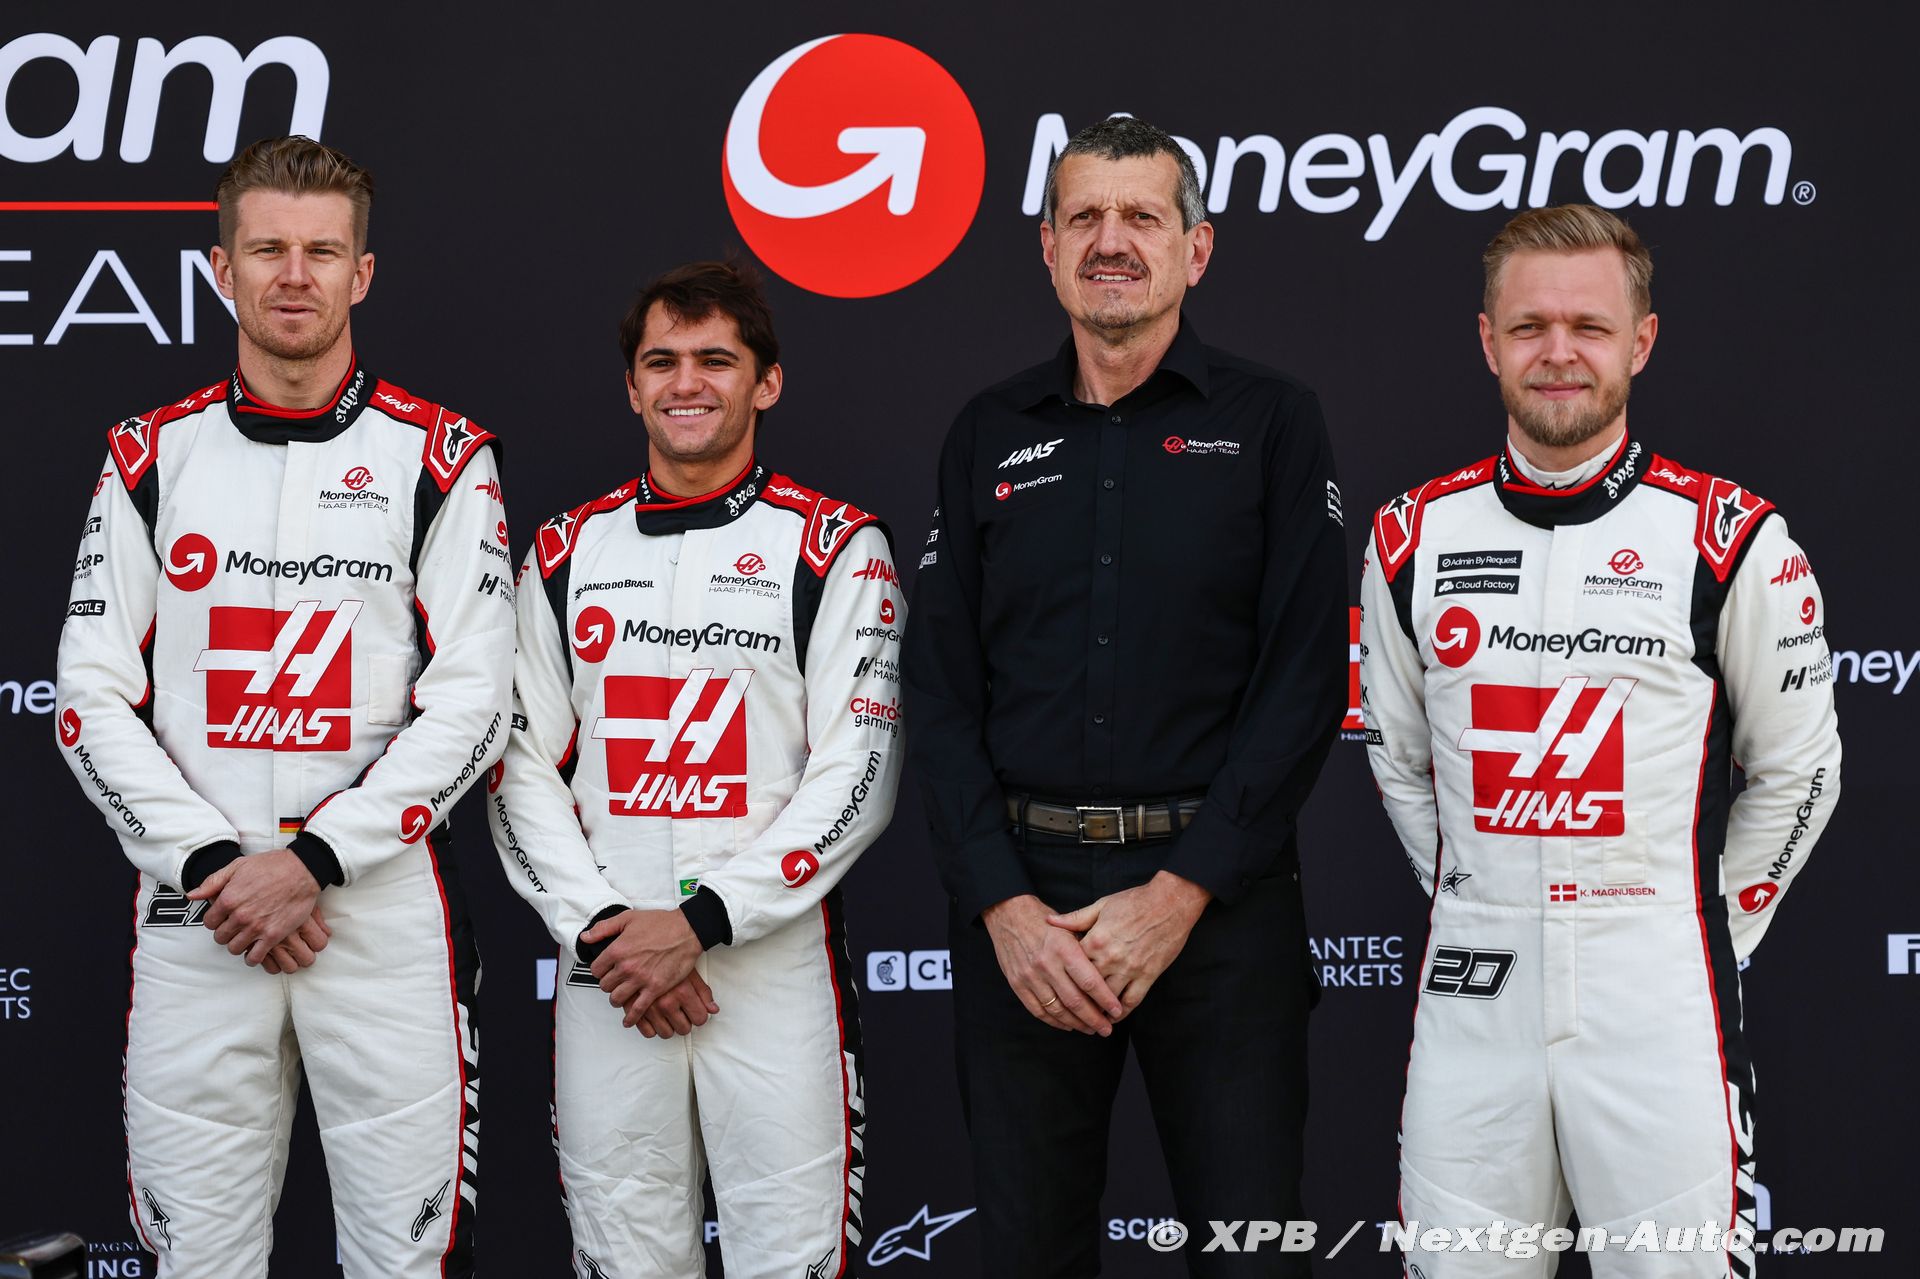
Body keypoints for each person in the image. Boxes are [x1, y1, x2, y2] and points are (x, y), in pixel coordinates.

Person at [54, 136, 512, 1277]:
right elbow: (88, 696)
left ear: (363, 272)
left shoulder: (442, 458)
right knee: (197, 1261)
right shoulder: (151, 456)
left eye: (321, 251)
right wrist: (216, 862)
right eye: (267, 250)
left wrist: (311, 861)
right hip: (200, 915)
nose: (294, 276)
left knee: (405, 1262)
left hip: (378, 916)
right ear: (223, 269)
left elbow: (474, 702)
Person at [1360, 204, 1842, 1276]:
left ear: (1642, 341)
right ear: (1488, 341)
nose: (1559, 352)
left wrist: (1702, 927)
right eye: (1529, 326)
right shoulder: (1410, 536)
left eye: (1589, 325)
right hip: (1475, 997)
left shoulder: (1729, 537)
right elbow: (1397, 758)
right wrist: (1484, 892)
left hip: (1659, 993)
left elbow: (1801, 769)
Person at [903, 116, 1348, 1276]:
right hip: (1026, 918)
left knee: (1252, 1255)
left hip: (1221, 910)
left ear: (1196, 249)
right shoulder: (986, 432)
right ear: (1048, 248)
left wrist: (1182, 891)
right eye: (1085, 217)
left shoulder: (1273, 422)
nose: (1112, 240)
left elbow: (1306, 678)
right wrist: (1003, 906)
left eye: (1142, 216)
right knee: (1029, 1256)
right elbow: (937, 692)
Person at [488, 260, 900, 1279]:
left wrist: (704, 923)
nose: (686, 382)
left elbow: (858, 776)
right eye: (661, 361)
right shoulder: (564, 551)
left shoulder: (835, 547)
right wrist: (606, 934)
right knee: (622, 1257)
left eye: (716, 359)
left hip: (767, 969)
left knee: (792, 1261)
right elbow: (518, 767)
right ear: (631, 387)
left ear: (767, 381)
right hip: (609, 973)